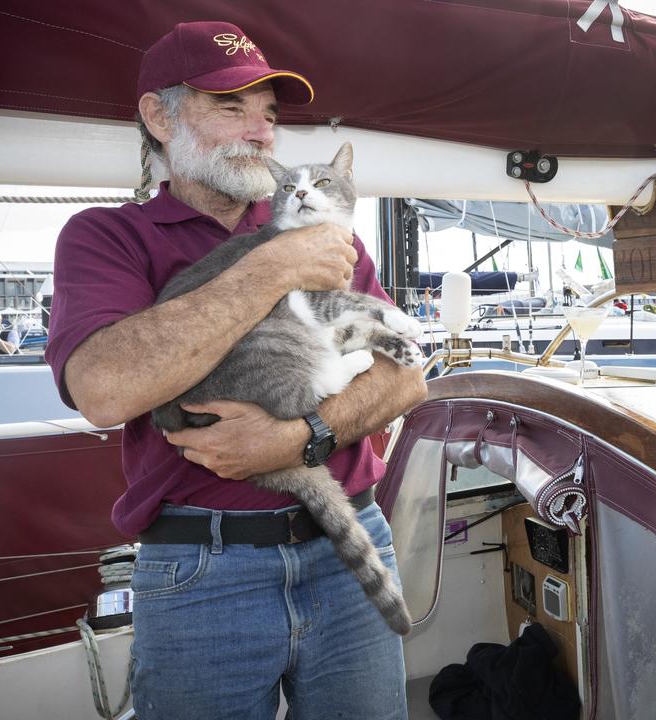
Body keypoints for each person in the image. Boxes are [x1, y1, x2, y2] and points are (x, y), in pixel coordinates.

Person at [45, 21, 426, 720]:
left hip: (350, 547)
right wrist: (273, 265)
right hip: (202, 570)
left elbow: (405, 378)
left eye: (270, 113)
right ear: (159, 116)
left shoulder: (328, 232)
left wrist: (302, 437)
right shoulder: (107, 237)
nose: (261, 130)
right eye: (231, 106)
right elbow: (103, 389)